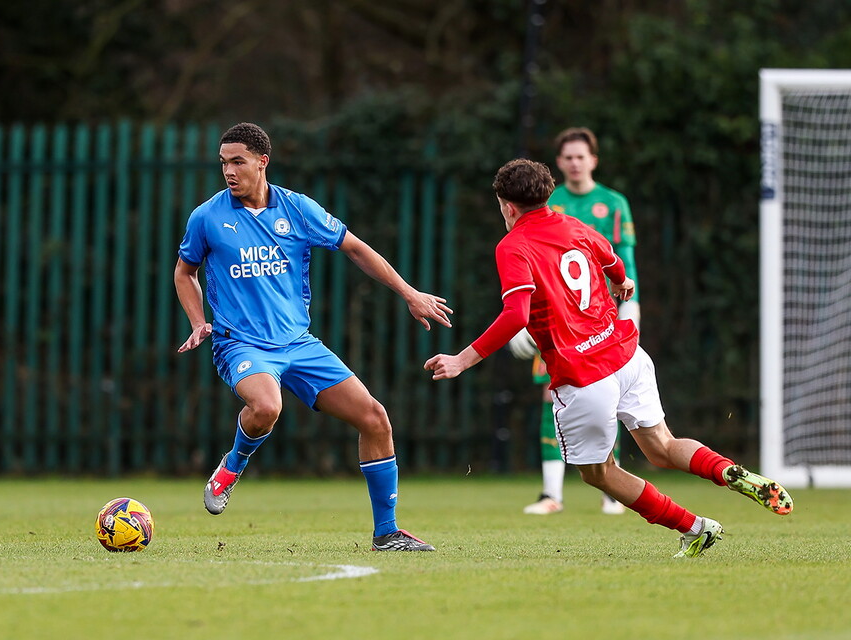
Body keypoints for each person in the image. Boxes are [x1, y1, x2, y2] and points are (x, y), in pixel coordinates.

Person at [424, 158, 793, 558]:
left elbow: (517, 315)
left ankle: (695, 527)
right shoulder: (575, 225)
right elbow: (615, 265)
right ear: (548, 194)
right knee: (663, 448)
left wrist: (461, 360)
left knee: (600, 473)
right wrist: (621, 283)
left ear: (507, 206)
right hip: (627, 355)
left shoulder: (512, 246)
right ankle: (726, 470)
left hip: (584, 376)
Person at [175, 122, 452, 552]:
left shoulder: (297, 209)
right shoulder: (207, 217)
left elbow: (356, 248)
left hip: (298, 344)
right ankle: (233, 464)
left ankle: (387, 533)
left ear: (262, 162)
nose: (228, 171)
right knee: (266, 406)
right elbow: (184, 272)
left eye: (237, 162)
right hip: (241, 343)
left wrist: (409, 293)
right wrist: (198, 322)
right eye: (223, 162)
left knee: (375, 418)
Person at [510, 127, 638, 516]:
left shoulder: (614, 204)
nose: (574, 163)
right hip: (556, 324)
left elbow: (625, 263)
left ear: (593, 160)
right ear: (559, 163)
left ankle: (612, 491)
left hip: (601, 320)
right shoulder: (550, 203)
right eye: (567, 157)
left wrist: (630, 313)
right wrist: (522, 319)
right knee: (553, 395)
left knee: (610, 399)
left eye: (581, 156)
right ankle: (552, 494)